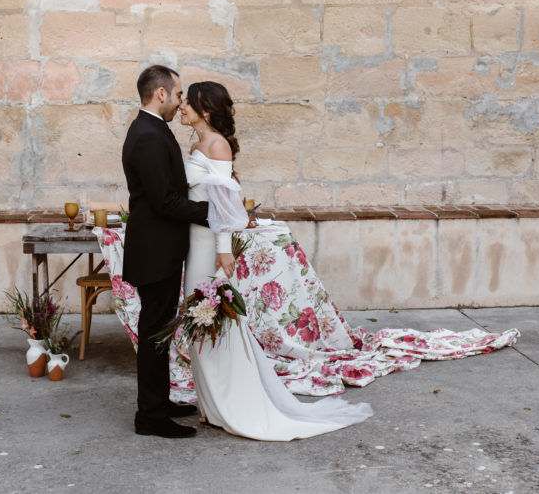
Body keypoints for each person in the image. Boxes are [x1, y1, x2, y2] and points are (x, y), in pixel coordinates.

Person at [178, 81, 373, 440]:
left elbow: (223, 207)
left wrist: (224, 250)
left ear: (205, 109)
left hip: (209, 245)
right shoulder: (197, 144)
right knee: (198, 322)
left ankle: (230, 403)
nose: (181, 106)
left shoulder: (217, 146)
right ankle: (210, 405)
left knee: (208, 321)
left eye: (188, 101)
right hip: (193, 242)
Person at [121, 65, 232, 439]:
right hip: (156, 251)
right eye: (178, 93)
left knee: (160, 330)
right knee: (154, 332)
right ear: (161, 94)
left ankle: (160, 401)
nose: (181, 101)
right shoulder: (150, 136)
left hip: (160, 248)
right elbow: (166, 202)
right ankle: (150, 417)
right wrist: (216, 214)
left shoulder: (151, 130)